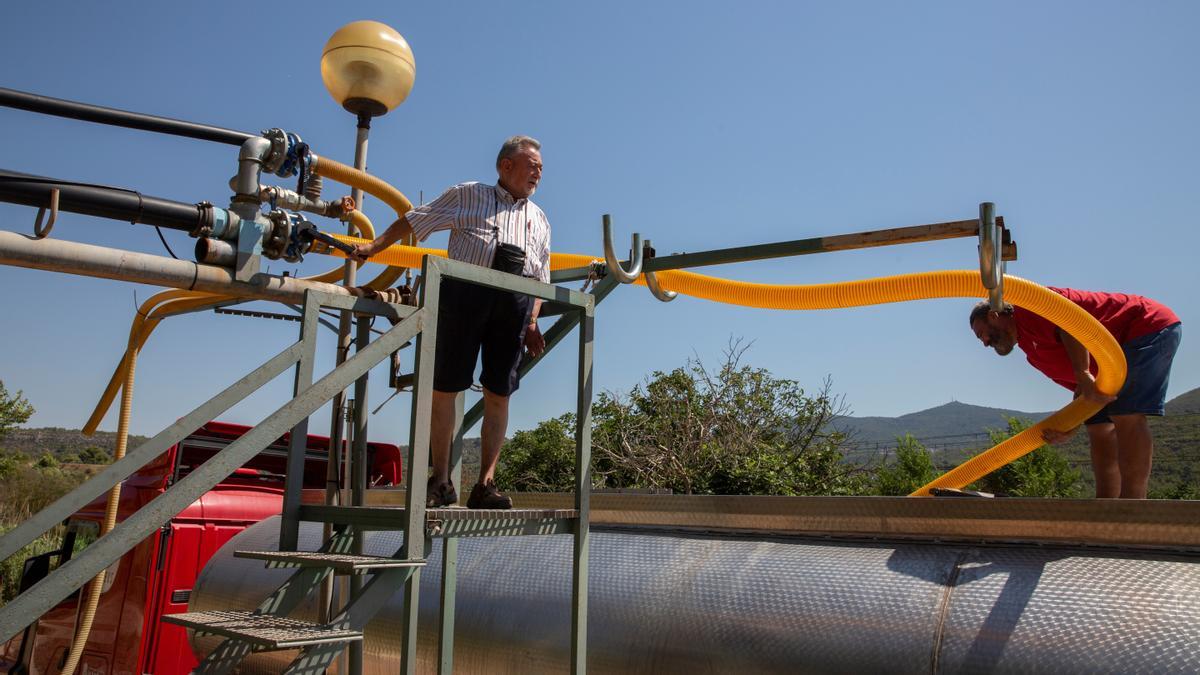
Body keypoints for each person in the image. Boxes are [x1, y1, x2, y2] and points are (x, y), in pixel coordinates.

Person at [351, 136, 550, 509]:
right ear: (505, 166)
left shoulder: (539, 219)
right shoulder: (468, 195)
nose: (538, 171)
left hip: (513, 305)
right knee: (446, 387)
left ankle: (485, 484)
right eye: (532, 164)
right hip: (464, 296)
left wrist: (532, 322)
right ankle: (440, 480)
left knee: (499, 393)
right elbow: (416, 220)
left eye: (541, 166)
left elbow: (541, 279)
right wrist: (373, 248)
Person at [969, 289, 1181, 498]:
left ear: (993, 315)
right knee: (1098, 427)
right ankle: (1106, 503)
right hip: (1108, 365)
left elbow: (1070, 324)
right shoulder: (1034, 354)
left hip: (1144, 326)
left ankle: (1132, 505)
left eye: (982, 334)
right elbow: (1083, 392)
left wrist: (1084, 373)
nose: (986, 343)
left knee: (1126, 415)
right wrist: (1072, 424)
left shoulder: (1029, 307)